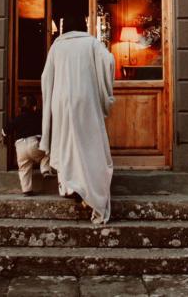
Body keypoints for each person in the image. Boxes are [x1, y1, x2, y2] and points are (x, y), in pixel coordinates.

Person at [39, 14, 116, 223]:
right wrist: (104, 94)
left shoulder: (57, 46)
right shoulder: (91, 43)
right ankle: (88, 190)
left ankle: (70, 185)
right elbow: (109, 61)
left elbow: (46, 77)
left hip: (61, 102)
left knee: (66, 144)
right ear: (83, 27)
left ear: (66, 29)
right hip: (85, 100)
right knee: (88, 145)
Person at [3, 94, 49, 196]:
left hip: (20, 146)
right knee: (46, 152)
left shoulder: (17, 119)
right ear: (34, 107)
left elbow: (5, 131)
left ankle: (27, 190)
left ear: (20, 108)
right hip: (34, 143)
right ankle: (45, 170)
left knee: (24, 168)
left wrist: (3, 134)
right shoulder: (38, 115)